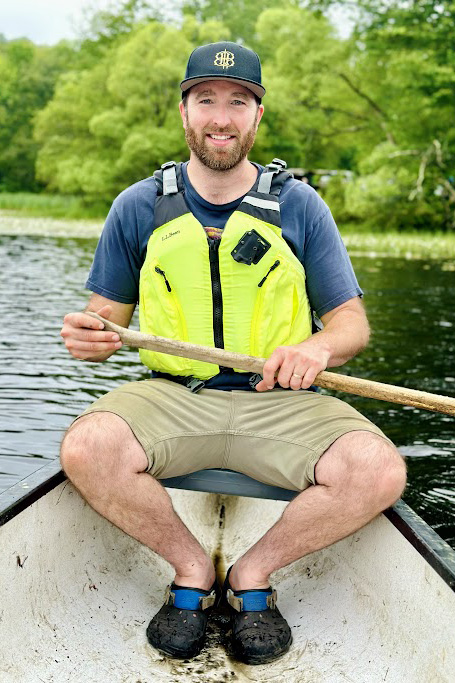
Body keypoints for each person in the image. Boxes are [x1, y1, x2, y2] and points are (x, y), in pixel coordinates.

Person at [60, 41, 406, 665]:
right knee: (87, 448)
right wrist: (89, 337)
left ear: (257, 116)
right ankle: (191, 567)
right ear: (185, 113)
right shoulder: (137, 206)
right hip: (173, 396)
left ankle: (251, 575)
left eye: (238, 102)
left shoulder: (301, 206)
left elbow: (351, 326)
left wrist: (317, 348)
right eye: (206, 100)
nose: (222, 116)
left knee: (380, 472)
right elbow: (105, 321)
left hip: (280, 403)